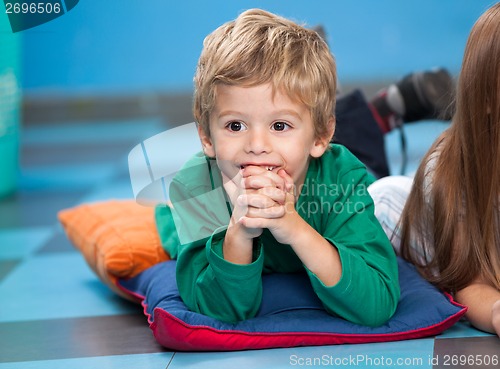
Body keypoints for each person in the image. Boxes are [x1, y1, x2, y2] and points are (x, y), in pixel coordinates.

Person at [155, 8, 400, 326]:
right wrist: (239, 231)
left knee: (371, 167)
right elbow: (218, 309)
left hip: (336, 158)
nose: (257, 145)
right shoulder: (197, 184)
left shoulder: (340, 179)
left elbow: (377, 303)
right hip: (210, 201)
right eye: (235, 126)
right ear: (206, 137)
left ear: (321, 136)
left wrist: (294, 226)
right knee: (169, 229)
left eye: (279, 125)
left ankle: (374, 112)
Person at [371, 2, 500, 337]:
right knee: (326, 169)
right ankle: (370, 115)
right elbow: (472, 285)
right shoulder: (456, 174)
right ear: (486, 97)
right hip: (386, 214)